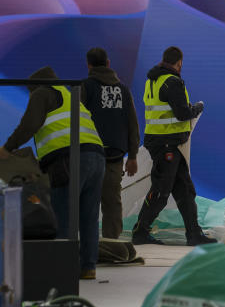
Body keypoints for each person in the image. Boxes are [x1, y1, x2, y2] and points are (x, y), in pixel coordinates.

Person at [0, 66, 106, 280]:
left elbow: (29, 125)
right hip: (96, 156)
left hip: (70, 158)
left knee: (61, 214)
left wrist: (7, 148)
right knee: (89, 216)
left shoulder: (42, 93)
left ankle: (61, 269)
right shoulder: (69, 93)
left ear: (34, 86)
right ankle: (88, 267)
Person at [131, 46, 214, 246]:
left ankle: (193, 233)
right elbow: (182, 113)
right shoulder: (173, 82)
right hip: (168, 143)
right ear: (179, 63)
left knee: (184, 189)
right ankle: (140, 231)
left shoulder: (153, 81)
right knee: (161, 190)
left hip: (162, 142)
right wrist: (198, 108)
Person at [83, 47, 140, 240]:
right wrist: (132, 156)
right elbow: (132, 123)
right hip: (114, 157)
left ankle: (85, 246)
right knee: (112, 203)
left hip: (89, 155)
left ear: (88, 65)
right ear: (108, 63)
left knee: (86, 202)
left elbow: (76, 121)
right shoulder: (123, 89)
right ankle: (112, 246)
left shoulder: (85, 87)